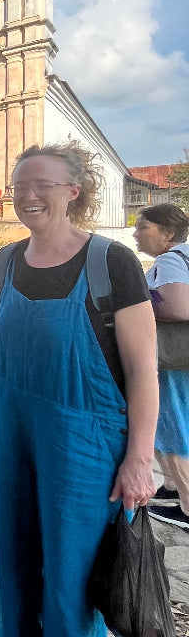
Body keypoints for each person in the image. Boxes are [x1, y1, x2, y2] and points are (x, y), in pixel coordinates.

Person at [0, 142, 157, 637]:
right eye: (19, 184)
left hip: (86, 434)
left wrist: (138, 458)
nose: (27, 195)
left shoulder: (112, 263)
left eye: (41, 184)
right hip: (11, 420)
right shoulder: (5, 260)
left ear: (74, 190)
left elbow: (143, 370)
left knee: (73, 561)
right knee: (12, 538)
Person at [134, 205, 189, 528]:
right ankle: (170, 488)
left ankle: (186, 505)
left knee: (172, 426)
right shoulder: (183, 256)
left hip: (171, 359)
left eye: (144, 227)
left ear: (167, 234)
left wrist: (137, 303)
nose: (136, 233)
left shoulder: (170, 260)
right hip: (181, 359)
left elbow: (179, 307)